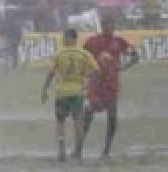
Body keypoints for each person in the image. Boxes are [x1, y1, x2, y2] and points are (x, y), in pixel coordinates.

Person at [80, 16, 139, 160]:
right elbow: (81, 57)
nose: (109, 28)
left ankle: (106, 150)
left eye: (111, 25)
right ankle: (78, 147)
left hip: (111, 85)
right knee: (88, 115)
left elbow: (135, 55)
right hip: (96, 84)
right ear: (102, 25)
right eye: (106, 25)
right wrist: (86, 72)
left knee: (112, 118)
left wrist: (123, 67)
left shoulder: (119, 41)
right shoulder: (92, 41)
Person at [41, 28, 99, 163]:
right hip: (78, 92)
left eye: (65, 37)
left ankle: (63, 150)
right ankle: (77, 151)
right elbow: (96, 71)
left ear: (72, 38)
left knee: (61, 121)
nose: (63, 39)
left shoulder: (59, 54)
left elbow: (51, 73)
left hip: (62, 93)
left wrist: (44, 89)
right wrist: (86, 80)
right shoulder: (84, 54)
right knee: (78, 121)